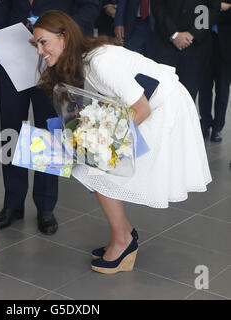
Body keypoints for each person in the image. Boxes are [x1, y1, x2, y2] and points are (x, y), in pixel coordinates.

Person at [32, 10, 211, 274]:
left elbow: (141, 108)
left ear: (64, 37)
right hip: (145, 106)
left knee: (96, 169)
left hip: (163, 107)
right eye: (36, 44)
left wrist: (101, 144)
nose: (39, 50)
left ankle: (123, 240)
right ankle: (124, 233)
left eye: (43, 42)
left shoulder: (100, 63)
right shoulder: (85, 59)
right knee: (93, 165)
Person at [0, 0, 100, 235]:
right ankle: (13, 204)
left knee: (49, 133)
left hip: (54, 57)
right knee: (10, 130)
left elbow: (91, 7)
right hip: (14, 57)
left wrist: (61, 33)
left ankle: (45, 206)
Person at [149, 0, 221, 102]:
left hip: (195, 48)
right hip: (165, 44)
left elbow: (213, 9)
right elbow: (158, 5)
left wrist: (192, 34)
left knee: (188, 97)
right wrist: (174, 34)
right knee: (160, 96)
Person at [198, 1, 231, 142]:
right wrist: (219, 7)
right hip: (204, 43)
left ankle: (218, 127)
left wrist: (212, 10)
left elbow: (206, 14)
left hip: (226, 46)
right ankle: (205, 123)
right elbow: (199, 12)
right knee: (204, 87)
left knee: (222, 89)